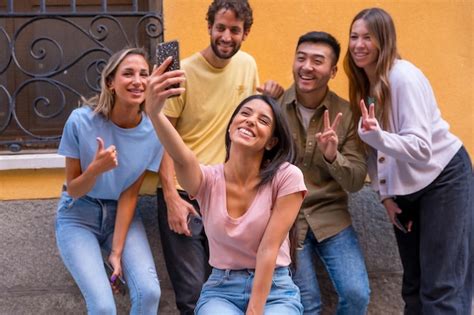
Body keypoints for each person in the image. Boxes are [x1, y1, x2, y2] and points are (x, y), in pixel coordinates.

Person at [146, 56, 306, 313]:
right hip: (222, 290)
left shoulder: (287, 177)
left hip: (275, 290)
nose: (251, 120)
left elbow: (268, 249)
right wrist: (154, 113)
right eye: (245, 113)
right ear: (231, 125)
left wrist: (255, 310)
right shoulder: (208, 180)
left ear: (272, 142)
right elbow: (182, 157)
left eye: (263, 120)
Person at [155, 1, 282, 313]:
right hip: (186, 191)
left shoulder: (248, 65)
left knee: (227, 288)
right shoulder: (182, 72)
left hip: (227, 194)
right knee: (192, 295)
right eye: (220, 28)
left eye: (234, 30)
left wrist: (270, 98)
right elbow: (162, 140)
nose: (226, 36)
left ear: (245, 33)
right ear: (209, 27)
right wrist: (170, 195)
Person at [344, 8, 472, 314]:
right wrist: (385, 195)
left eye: (368, 37)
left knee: (441, 287)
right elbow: (374, 153)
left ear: (383, 41)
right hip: (408, 191)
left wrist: (377, 137)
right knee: (412, 286)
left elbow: (420, 148)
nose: (359, 44)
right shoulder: (366, 83)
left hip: (443, 179)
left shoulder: (403, 77)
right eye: (354, 36)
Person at [55, 47, 163, 314]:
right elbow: (74, 189)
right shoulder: (81, 121)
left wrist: (116, 252)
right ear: (110, 82)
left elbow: (129, 193)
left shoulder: (154, 130)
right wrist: (95, 169)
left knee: (149, 293)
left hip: (120, 214)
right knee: (103, 307)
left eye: (144, 74)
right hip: (78, 215)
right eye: (128, 74)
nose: (137, 81)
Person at [278, 31, 370, 314]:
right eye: (301, 58)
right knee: (307, 305)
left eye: (317, 61)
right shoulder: (274, 107)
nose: (306, 67)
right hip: (287, 221)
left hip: (332, 219)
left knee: (357, 296)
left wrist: (333, 155)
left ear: (332, 71)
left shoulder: (347, 114)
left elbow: (355, 181)